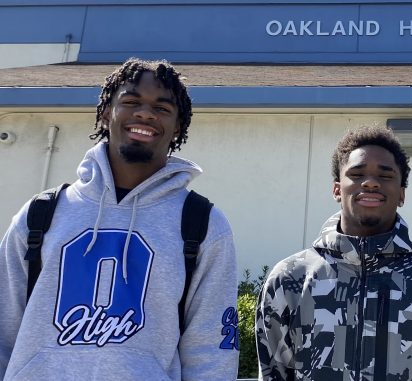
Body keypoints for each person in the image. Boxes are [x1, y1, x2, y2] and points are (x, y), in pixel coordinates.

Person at [0, 58, 239, 380]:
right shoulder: (41, 214)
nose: (145, 113)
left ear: (178, 127)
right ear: (105, 113)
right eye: (131, 102)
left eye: (163, 107)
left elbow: (211, 348)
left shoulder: (202, 223)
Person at [256, 125, 412, 381]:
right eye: (357, 174)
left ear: (402, 194)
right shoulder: (290, 279)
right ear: (337, 189)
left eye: (385, 175)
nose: (370, 182)